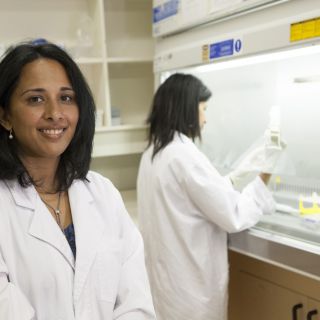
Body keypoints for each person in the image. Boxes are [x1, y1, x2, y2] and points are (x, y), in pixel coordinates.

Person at [0, 41, 156, 320]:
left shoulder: (103, 193)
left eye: (66, 98)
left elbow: (136, 302)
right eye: (35, 98)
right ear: (5, 116)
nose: (55, 113)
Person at [137, 73, 283, 320]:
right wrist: (266, 173)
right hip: (191, 297)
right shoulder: (183, 155)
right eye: (203, 109)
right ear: (187, 109)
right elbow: (233, 214)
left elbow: (191, 199)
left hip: (168, 291)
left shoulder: (153, 153)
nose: (205, 118)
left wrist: (236, 176)